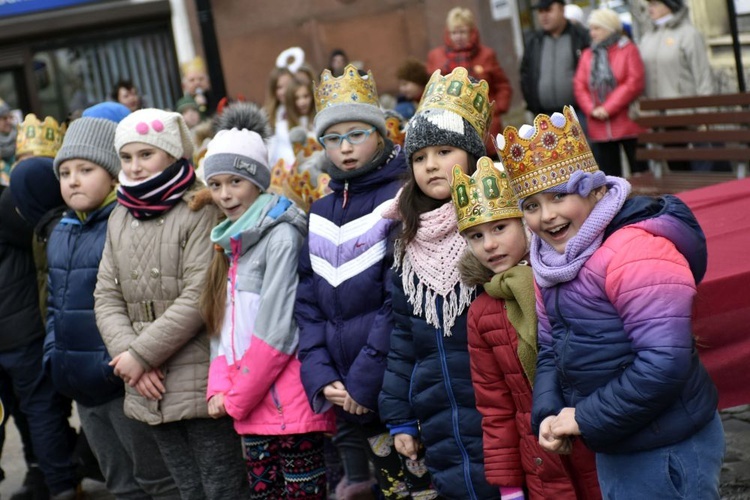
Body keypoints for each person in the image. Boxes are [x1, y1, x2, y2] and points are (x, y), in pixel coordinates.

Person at [497, 105, 724, 499]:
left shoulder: (634, 252)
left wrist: (584, 417)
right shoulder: (550, 262)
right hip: (616, 437)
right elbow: (551, 349)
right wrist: (549, 411)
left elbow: (664, 361)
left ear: (596, 190)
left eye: (559, 196)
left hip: (668, 443)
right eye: (531, 206)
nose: (546, 216)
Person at [295, 64, 437, 499]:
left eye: (357, 134)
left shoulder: (399, 197)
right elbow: (307, 302)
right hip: (345, 393)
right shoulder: (319, 212)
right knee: (391, 490)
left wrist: (363, 381)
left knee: (424, 488)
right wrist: (322, 377)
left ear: (381, 132)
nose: (345, 148)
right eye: (333, 139)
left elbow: (395, 299)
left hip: (394, 389)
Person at [94, 108, 249, 499]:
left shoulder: (198, 207)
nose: (136, 166)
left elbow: (200, 296)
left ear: (172, 153)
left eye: (146, 154)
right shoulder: (120, 214)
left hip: (197, 376)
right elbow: (106, 295)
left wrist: (141, 355)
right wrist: (130, 358)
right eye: (127, 157)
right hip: (148, 384)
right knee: (186, 488)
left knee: (222, 486)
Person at [200, 103, 335, 498]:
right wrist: (217, 388)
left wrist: (236, 397)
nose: (225, 195)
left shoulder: (280, 235)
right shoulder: (231, 242)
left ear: (257, 181)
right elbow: (224, 329)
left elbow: (277, 331)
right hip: (249, 405)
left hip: (287, 406)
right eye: (216, 184)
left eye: (235, 182)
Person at [378, 67, 499, 500]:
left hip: (496, 401)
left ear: (471, 154)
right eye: (420, 157)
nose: (431, 165)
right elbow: (403, 337)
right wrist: (400, 416)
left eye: (444, 151)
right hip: (439, 410)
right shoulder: (407, 243)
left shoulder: (499, 228)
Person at [47, 106, 180, 499]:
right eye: (65, 173)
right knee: (118, 483)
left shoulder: (125, 223)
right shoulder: (61, 230)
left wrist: (128, 360)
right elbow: (54, 304)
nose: (73, 181)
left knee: (156, 480)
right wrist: (54, 357)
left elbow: (137, 302)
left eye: (85, 170)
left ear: (112, 174)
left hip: (122, 381)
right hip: (81, 387)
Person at [453, 158, 601, 499]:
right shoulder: (481, 312)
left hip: (594, 440)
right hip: (541, 461)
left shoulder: (563, 279)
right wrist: (509, 485)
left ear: (526, 224)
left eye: (500, 228)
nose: (489, 244)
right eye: (476, 235)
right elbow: (495, 405)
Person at [639, 0, 721, 171]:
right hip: (661, 117)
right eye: (649, 4)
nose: (650, 8)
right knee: (675, 166)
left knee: (701, 167)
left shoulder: (688, 34)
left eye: (655, 3)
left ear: (670, 5)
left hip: (687, 115)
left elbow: (703, 75)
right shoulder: (647, 37)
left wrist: (706, 115)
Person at [427, 7, 512, 154]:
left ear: (471, 32)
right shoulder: (436, 57)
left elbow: (502, 85)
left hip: (486, 125)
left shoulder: (486, 55)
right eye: (454, 32)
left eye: (462, 32)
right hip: (450, 124)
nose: (458, 37)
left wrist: (496, 110)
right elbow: (429, 89)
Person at [573, 9, 647, 177]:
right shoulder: (588, 54)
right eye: (591, 28)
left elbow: (634, 81)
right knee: (610, 177)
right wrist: (591, 109)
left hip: (628, 122)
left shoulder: (628, 49)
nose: (592, 33)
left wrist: (608, 107)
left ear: (609, 28)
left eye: (596, 28)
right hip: (598, 124)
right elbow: (579, 85)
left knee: (640, 173)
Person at [520, 0, 590, 117]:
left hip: (577, 114)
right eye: (540, 12)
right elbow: (526, 74)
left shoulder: (580, 37)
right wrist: (532, 104)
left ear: (562, 9)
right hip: (544, 116)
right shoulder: (534, 41)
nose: (544, 16)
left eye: (548, 10)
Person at [264, 66, 296, 169]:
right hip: (280, 174)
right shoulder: (269, 117)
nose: (285, 91)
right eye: (280, 87)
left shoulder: (305, 112)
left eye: (289, 85)